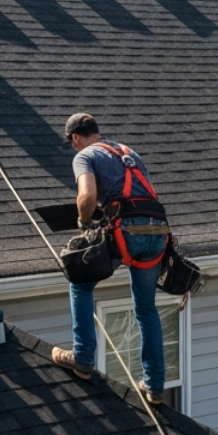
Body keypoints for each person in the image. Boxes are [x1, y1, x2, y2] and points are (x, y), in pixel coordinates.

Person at [52, 113, 170, 407]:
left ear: (75, 138)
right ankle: (155, 387)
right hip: (158, 232)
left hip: (126, 232)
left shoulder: (85, 156)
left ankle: (81, 358)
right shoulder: (130, 152)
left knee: (79, 282)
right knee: (146, 309)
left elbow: (87, 196)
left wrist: (83, 222)